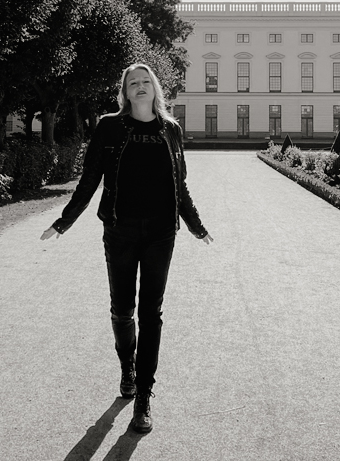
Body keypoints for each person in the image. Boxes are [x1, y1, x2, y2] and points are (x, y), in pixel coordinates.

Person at [40, 62, 213, 434]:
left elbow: (179, 185)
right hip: (120, 231)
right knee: (123, 309)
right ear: (125, 91)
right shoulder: (109, 126)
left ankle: (144, 397)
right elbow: (90, 178)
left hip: (161, 234)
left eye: (145, 82)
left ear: (155, 89)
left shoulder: (171, 130)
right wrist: (64, 221)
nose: (139, 87)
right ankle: (127, 369)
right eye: (132, 83)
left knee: (152, 313)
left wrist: (197, 226)